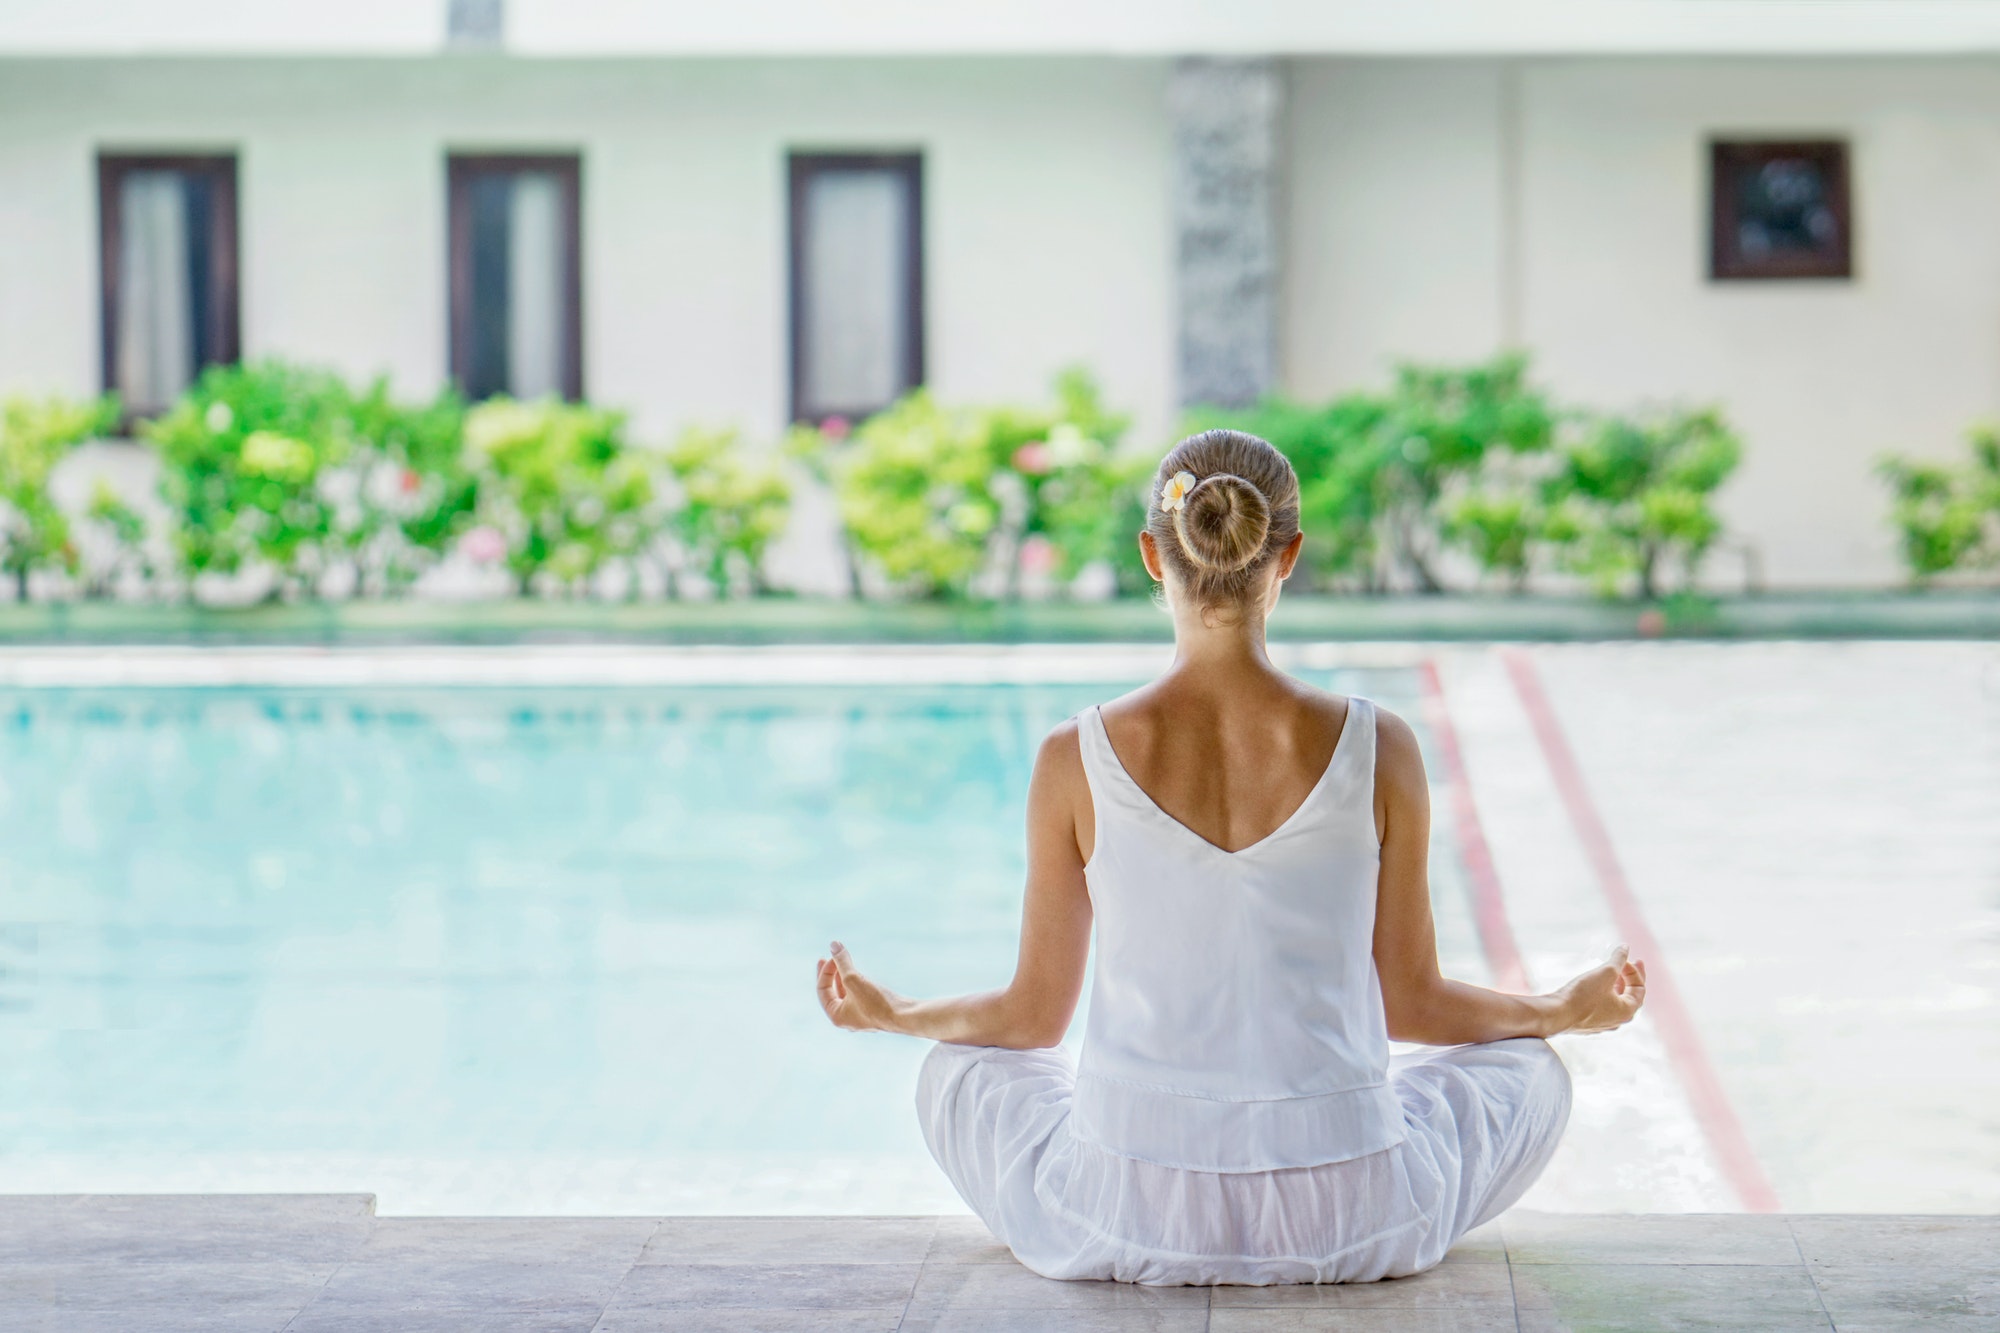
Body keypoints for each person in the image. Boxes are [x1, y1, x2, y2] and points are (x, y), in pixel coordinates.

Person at [814, 429, 1647, 1286]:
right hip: (1351, 1217)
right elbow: (1412, 1003)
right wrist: (1558, 1008)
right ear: (1287, 555)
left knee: (955, 1069)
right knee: (1528, 1069)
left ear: (1151, 554)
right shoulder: (1380, 747)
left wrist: (898, 1012)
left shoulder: (1075, 756)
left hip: (1131, 1212)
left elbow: (1032, 1020)